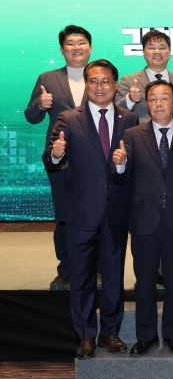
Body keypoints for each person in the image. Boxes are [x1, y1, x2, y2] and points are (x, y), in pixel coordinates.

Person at [42, 59, 138, 358]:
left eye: (106, 81)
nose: (100, 86)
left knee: (113, 275)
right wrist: (56, 154)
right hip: (81, 210)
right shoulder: (69, 118)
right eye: (94, 81)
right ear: (86, 84)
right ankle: (85, 335)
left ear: (115, 85)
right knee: (82, 276)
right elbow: (51, 159)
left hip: (116, 211)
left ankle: (110, 332)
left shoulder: (130, 119)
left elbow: (132, 167)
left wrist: (122, 166)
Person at [110, 80, 173, 355]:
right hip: (144, 218)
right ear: (147, 104)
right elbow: (121, 177)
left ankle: (172, 334)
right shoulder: (133, 135)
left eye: (164, 98)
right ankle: (145, 336)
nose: (159, 103)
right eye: (153, 99)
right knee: (144, 280)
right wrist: (120, 165)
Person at [26, 25, 92, 291]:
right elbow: (31, 117)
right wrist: (39, 105)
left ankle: (97, 268)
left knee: (96, 214)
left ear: (90, 48)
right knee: (63, 216)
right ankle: (65, 269)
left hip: (95, 159)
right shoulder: (48, 78)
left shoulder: (100, 75)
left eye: (81, 42)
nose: (76, 47)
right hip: (59, 158)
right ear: (62, 49)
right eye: (70, 43)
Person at [115, 30, 173, 124]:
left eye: (162, 47)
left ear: (169, 52)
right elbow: (115, 111)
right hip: (139, 132)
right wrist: (130, 99)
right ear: (144, 52)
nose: (157, 52)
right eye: (152, 48)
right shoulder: (128, 81)